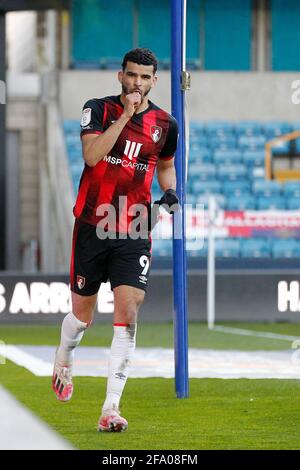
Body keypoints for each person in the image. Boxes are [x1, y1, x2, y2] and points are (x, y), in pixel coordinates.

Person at [52, 48, 179, 432]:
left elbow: (166, 167)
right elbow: (92, 157)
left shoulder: (166, 124)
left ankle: (111, 408)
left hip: (135, 225)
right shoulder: (98, 109)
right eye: (131, 76)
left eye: (145, 77)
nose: (137, 83)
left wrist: (170, 194)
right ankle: (64, 356)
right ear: (120, 77)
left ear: (154, 81)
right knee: (82, 318)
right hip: (92, 224)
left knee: (128, 314)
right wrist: (126, 115)